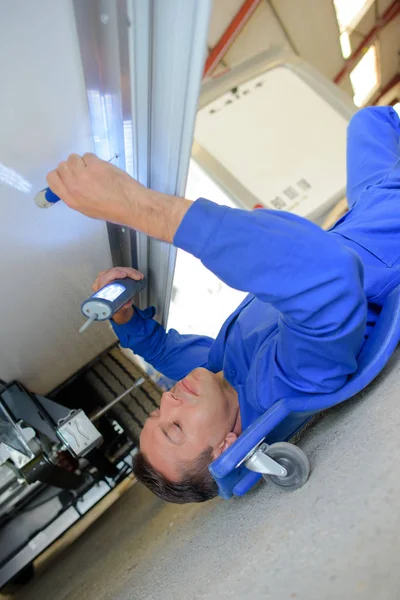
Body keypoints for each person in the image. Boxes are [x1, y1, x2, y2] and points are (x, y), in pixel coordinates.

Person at [47, 106, 400, 504]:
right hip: (389, 221)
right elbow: (328, 278)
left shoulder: (224, 382)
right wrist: (142, 208)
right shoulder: (285, 385)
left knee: (370, 121)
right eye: (174, 427)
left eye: (155, 412)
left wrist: (126, 318)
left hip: (364, 214)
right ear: (224, 447)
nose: (167, 399)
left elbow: (160, 351)